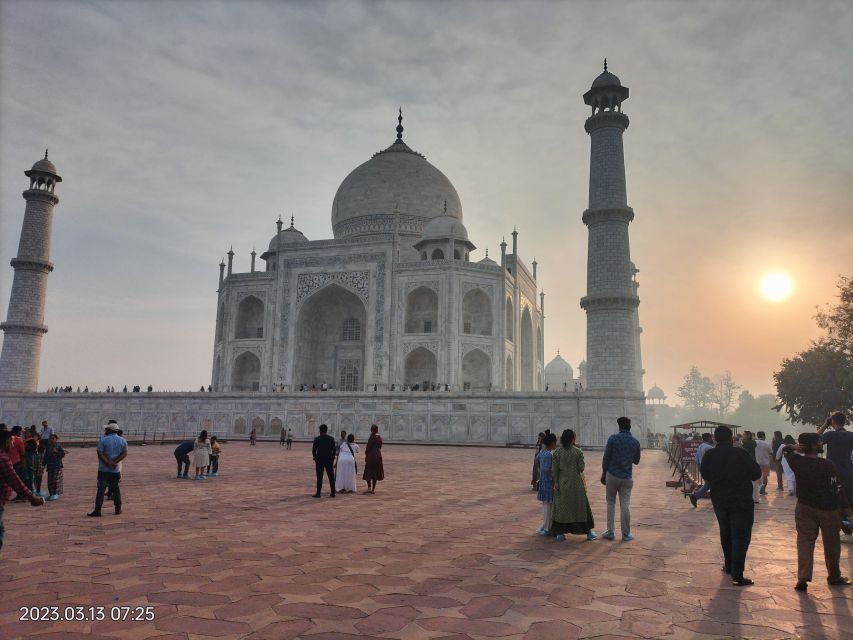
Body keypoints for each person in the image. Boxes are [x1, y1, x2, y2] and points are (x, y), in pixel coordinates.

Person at [782, 433, 851, 591]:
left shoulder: (797, 461)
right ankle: (834, 576)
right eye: (819, 442)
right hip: (828, 509)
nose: (821, 443)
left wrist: (794, 447)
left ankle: (803, 578)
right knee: (831, 544)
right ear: (813, 445)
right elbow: (837, 488)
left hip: (804, 507)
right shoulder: (827, 464)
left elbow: (786, 450)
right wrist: (846, 508)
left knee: (805, 542)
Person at [700, 425, 761, 586]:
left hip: (720, 499)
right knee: (740, 536)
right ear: (730, 438)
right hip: (741, 500)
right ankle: (737, 574)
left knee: (725, 533)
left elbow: (705, 474)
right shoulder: (741, 453)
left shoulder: (710, 454)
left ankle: (729, 565)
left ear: (715, 438)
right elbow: (756, 473)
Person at [0, 430, 45, 552]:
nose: (12, 444)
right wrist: (32, 497)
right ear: (6, 442)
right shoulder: (3, 458)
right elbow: (15, 481)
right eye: (11, 441)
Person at [551, 429, 596, 541]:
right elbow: (581, 468)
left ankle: (560, 533)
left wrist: (556, 482)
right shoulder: (578, 452)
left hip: (562, 483)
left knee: (562, 508)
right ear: (573, 439)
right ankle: (588, 533)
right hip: (576, 484)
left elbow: (554, 470)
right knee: (580, 508)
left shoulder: (557, 452)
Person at [600, 417, 641, 541]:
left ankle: (610, 531)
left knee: (610, 502)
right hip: (626, 477)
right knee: (625, 504)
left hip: (612, 474)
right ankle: (626, 533)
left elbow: (606, 458)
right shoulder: (635, 442)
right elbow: (636, 461)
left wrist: (603, 473)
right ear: (630, 427)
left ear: (619, 427)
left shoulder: (613, 439)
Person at [818, 411, 853, 544]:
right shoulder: (850, 435)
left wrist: (824, 425)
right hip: (849, 472)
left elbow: (813, 439)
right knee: (849, 501)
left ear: (832, 421)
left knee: (835, 502)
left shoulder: (830, 435)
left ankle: (840, 530)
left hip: (833, 473)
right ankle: (849, 530)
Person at [87, 421, 127, 517]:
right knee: (116, 489)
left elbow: (99, 453)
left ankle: (98, 510)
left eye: (106, 429)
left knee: (101, 490)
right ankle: (118, 509)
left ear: (109, 430)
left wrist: (108, 462)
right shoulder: (122, 440)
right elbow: (124, 454)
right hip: (115, 470)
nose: (105, 430)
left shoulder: (103, 440)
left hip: (103, 470)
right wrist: (115, 462)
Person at [536, 433, 557, 535]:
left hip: (543, 481)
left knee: (545, 505)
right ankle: (547, 528)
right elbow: (550, 470)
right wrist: (555, 479)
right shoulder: (549, 454)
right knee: (549, 506)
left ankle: (545, 525)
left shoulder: (541, 452)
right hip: (549, 482)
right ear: (552, 443)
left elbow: (538, 465)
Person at [690, 433, 714, 507]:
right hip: (710, 469)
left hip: (703, 468)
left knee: (708, 485)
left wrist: (700, 469)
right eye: (712, 437)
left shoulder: (701, 446)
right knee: (712, 484)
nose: (712, 439)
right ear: (709, 438)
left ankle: (695, 496)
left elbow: (696, 460)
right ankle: (695, 496)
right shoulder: (709, 448)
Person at [312, 424, 336, 498]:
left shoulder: (317, 439)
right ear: (326, 430)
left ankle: (318, 493)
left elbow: (313, 450)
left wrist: (315, 458)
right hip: (329, 460)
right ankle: (333, 492)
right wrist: (332, 458)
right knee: (331, 476)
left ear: (320, 430)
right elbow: (334, 450)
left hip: (320, 460)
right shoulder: (331, 439)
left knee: (319, 477)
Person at [42, 434, 66, 501]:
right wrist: (43, 464)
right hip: (50, 466)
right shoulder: (48, 447)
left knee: (55, 481)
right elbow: (45, 456)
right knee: (50, 481)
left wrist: (57, 452)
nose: (52, 440)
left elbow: (63, 454)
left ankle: (55, 493)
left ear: (56, 439)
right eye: (51, 438)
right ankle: (51, 494)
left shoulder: (58, 446)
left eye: (53, 438)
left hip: (57, 465)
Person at [362, 424, 384, 494]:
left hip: (371, 456)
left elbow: (368, 447)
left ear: (372, 430)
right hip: (378, 456)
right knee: (375, 472)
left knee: (368, 472)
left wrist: (366, 454)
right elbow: (380, 446)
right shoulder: (379, 437)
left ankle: (369, 487)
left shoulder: (372, 437)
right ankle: (373, 489)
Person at [740, 431, 760, 504]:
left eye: (744, 434)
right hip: (752, 462)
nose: (743, 436)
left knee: (750, 482)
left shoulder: (746, 443)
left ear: (748, 436)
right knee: (753, 482)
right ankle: (755, 498)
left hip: (748, 463)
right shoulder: (752, 442)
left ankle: (752, 497)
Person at [9, 427, 27, 502]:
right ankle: (21, 495)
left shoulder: (6, 439)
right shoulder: (19, 440)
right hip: (16, 462)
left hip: (6, 462)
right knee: (18, 480)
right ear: (18, 432)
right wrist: (24, 464)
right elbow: (23, 453)